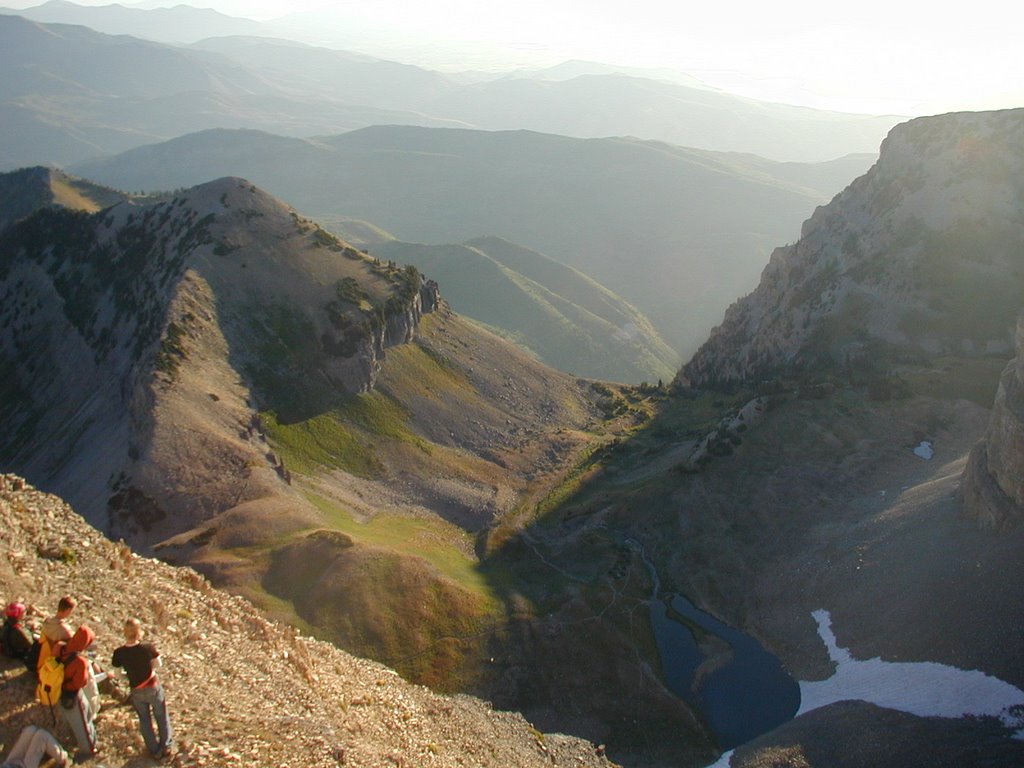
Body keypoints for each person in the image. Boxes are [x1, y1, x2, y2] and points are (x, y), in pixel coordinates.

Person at [111, 618, 173, 759]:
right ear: (139, 632)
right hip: (152, 686)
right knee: (161, 716)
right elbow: (158, 664)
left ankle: (155, 751)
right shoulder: (147, 648)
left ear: (125, 632)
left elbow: (117, 674)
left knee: (144, 720)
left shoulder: (119, 653)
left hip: (136, 690)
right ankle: (166, 747)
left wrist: (129, 677)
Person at [57, 625, 99, 760]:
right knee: (82, 722)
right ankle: (89, 749)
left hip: (60, 691)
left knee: (82, 719)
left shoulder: (60, 647)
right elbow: (81, 683)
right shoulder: (80, 662)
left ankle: (91, 741)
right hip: (73, 695)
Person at [0, 725, 68, 768]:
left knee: (30, 730)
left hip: (10, 763)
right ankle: (63, 759)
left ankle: (44, 752)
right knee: (42, 736)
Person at [1, 602, 34, 672]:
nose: (25, 613)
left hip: (8, 649)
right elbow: (31, 644)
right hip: (16, 653)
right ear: (18, 614)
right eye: (23, 612)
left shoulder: (6, 623)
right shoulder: (18, 630)